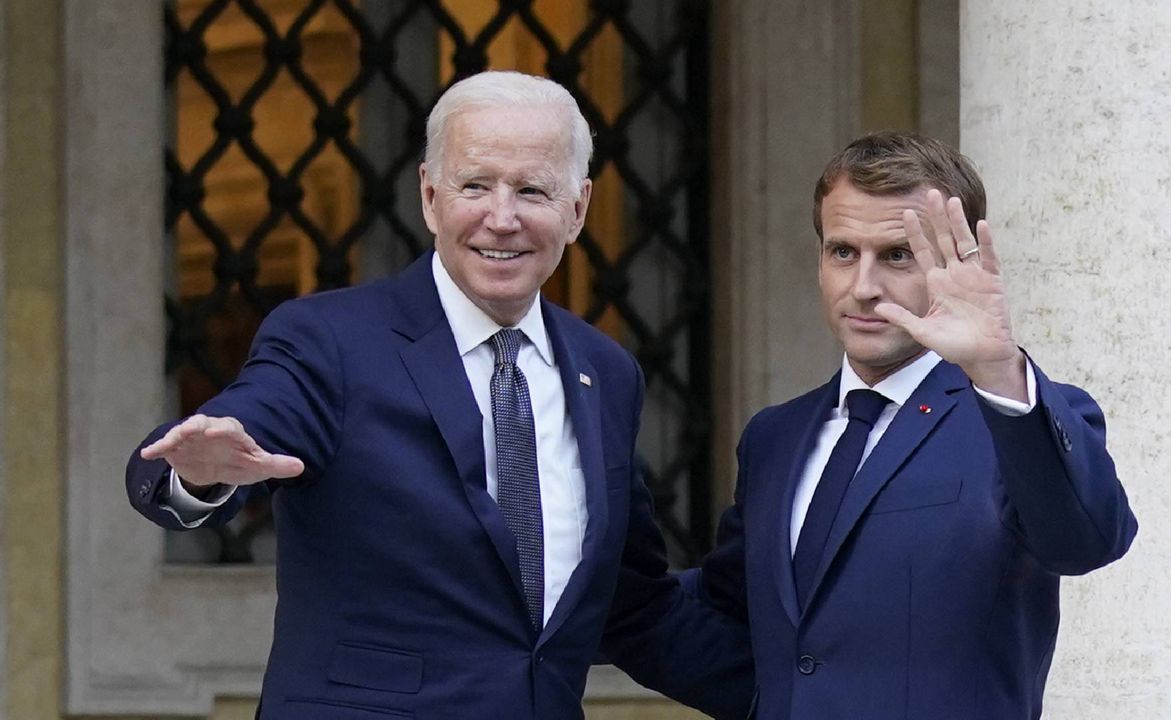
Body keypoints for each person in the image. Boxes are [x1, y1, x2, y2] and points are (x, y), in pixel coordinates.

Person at [126, 70, 752, 720]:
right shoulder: (331, 342)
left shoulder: (606, 372)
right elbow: (252, 419)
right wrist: (198, 475)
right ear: (430, 196)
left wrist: (817, 692)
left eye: (532, 190)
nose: (501, 218)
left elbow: (632, 606)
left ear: (578, 208)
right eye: (475, 186)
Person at [691, 131, 1138, 719]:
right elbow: (733, 621)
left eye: (897, 255)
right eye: (842, 252)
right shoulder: (776, 436)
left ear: (956, 261)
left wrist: (998, 369)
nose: (864, 287)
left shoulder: (1012, 412)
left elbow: (1086, 540)